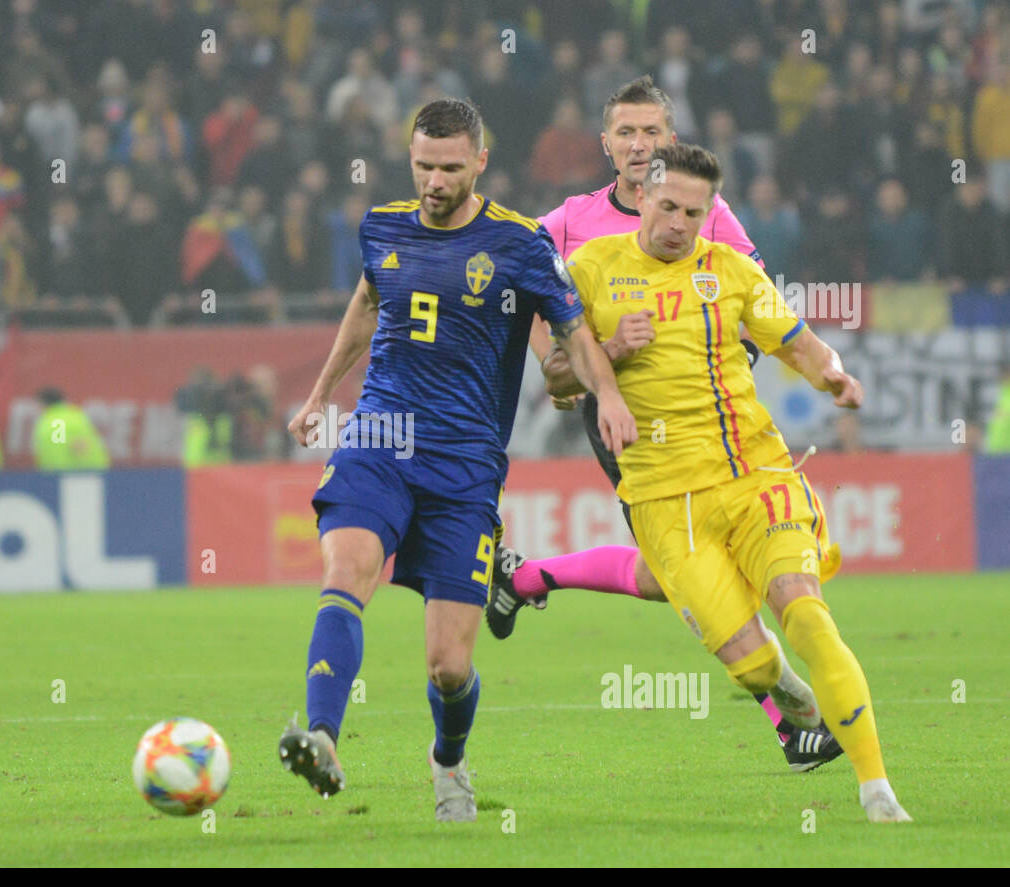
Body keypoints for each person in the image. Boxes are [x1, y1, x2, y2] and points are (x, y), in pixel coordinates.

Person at [277, 99, 635, 820]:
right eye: (422, 166)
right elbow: (366, 303)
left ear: (479, 162)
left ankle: (448, 762)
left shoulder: (522, 244)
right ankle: (321, 734)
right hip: (379, 438)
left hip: (465, 464)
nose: (435, 181)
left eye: (448, 167)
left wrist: (609, 396)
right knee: (344, 573)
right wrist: (320, 393)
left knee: (450, 666)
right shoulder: (381, 226)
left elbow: (574, 332)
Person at [490, 76, 844, 771]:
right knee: (692, 574)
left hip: (712, 425)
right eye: (626, 131)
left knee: (669, 575)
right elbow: (532, 303)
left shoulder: (710, 217)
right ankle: (790, 720)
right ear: (605, 143)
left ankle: (528, 578)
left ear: (671, 141)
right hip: (627, 424)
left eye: (652, 132)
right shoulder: (567, 223)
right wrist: (572, 370)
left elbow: (752, 302)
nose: (638, 144)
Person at [553, 143, 909, 823]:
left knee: (804, 611)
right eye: (668, 208)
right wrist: (612, 359)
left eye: (694, 211)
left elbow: (797, 341)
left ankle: (877, 788)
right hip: (663, 500)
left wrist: (833, 373)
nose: (680, 223)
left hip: (756, 474)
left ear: (709, 211)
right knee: (752, 669)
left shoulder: (732, 271)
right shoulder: (591, 270)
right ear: (641, 197)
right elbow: (554, 379)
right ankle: (792, 697)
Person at [31, 387, 110, 471]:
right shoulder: (76, 415)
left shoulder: (51, 423)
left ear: (42, 403)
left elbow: (57, 451)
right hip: (95, 472)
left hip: (68, 475)